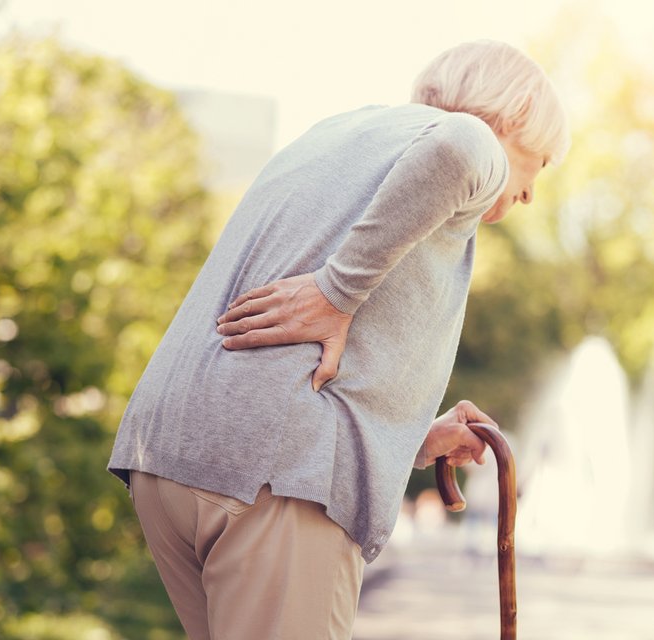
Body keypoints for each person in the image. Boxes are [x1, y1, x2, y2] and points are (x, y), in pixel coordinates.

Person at [107, 39, 569, 640]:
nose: (531, 191)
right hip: (273, 476)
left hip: (172, 452)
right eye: (540, 163)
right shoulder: (472, 141)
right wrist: (337, 292)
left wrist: (412, 438)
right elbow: (459, 150)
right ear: (513, 119)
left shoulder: (335, 136)